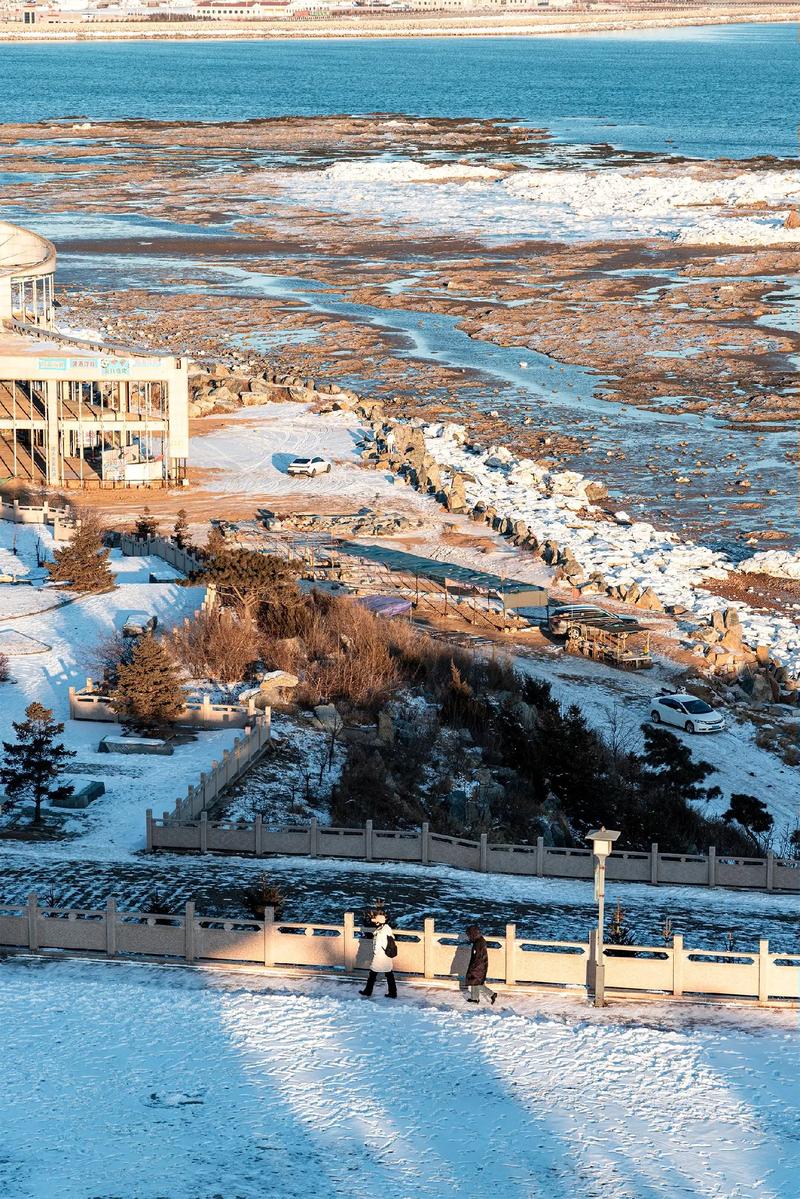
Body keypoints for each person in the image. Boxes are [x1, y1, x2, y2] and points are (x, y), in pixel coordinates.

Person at [359, 910, 397, 999]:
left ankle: (368, 991)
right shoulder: (386, 929)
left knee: (373, 974)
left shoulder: (381, 932)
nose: (375, 923)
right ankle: (392, 992)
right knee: (388, 974)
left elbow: (378, 945)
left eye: (376, 921)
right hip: (386, 956)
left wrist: (375, 953)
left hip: (380, 956)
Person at [464, 925, 497, 1005]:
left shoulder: (478, 943)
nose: (468, 937)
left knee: (476, 982)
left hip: (478, 967)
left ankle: (492, 994)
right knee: (474, 981)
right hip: (480, 966)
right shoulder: (479, 941)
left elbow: (477, 957)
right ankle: (475, 998)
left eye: (469, 935)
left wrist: (473, 967)